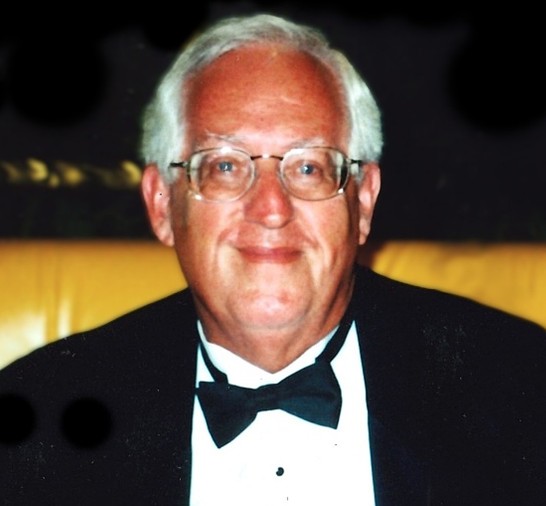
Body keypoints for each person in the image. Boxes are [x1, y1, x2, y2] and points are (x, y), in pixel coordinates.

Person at [1, 13, 546, 506]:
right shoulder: (36, 424)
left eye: (308, 167)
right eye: (225, 166)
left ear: (363, 202)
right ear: (162, 204)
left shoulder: (523, 391)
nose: (270, 209)